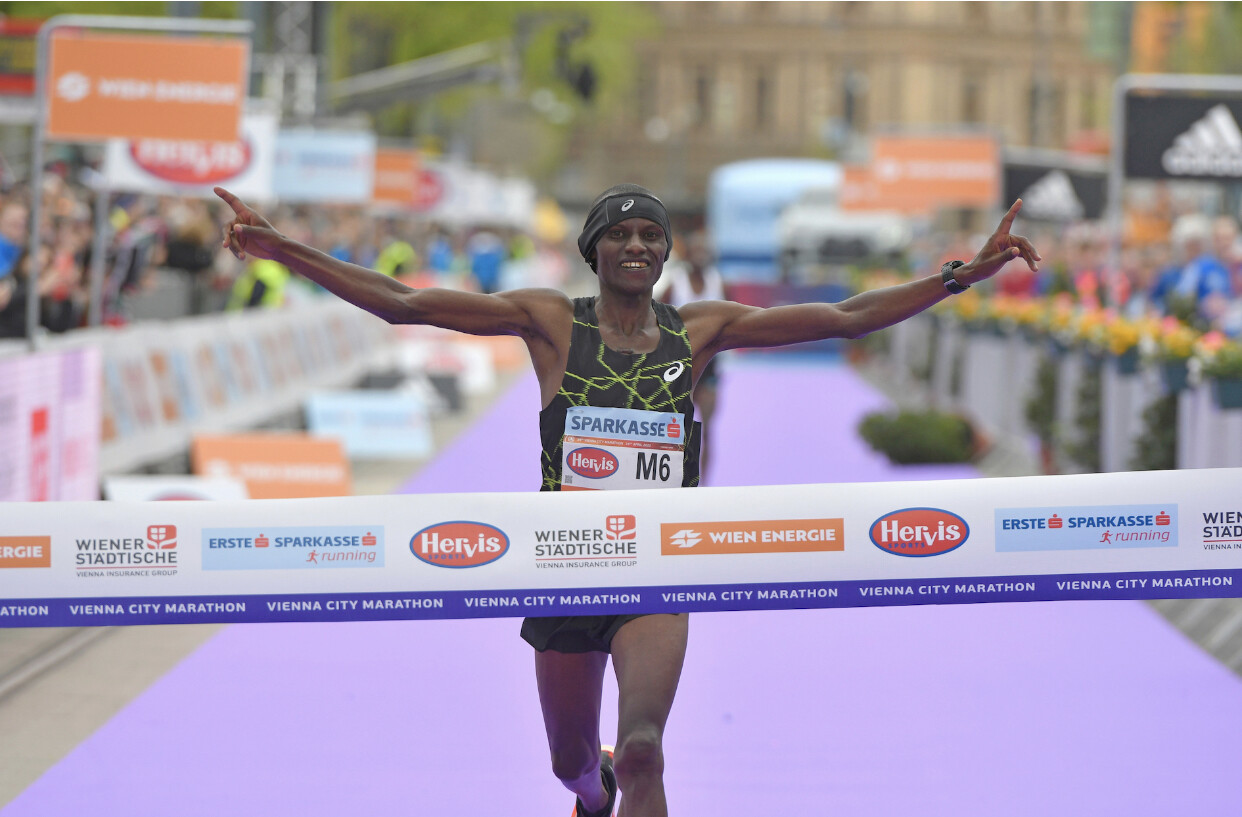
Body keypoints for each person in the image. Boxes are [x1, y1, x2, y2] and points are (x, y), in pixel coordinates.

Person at [215, 183, 1039, 817]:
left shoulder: (699, 329)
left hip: (656, 570)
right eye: (620, 233)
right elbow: (407, 304)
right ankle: (591, 794)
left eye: (651, 234)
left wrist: (960, 274)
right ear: (594, 250)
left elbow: (844, 316)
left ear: (666, 253)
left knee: (643, 746)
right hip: (562, 569)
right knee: (573, 761)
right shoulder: (550, 321)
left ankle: (625, 773)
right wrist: (283, 249)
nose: (637, 244)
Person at [656, 231, 726, 483]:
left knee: (707, 431)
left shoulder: (719, 283)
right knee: (676, 429)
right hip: (679, 367)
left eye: (704, 250)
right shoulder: (675, 284)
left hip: (709, 367)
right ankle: (672, 481)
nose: (701, 255)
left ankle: (704, 485)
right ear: (688, 255)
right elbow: (655, 319)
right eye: (696, 250)